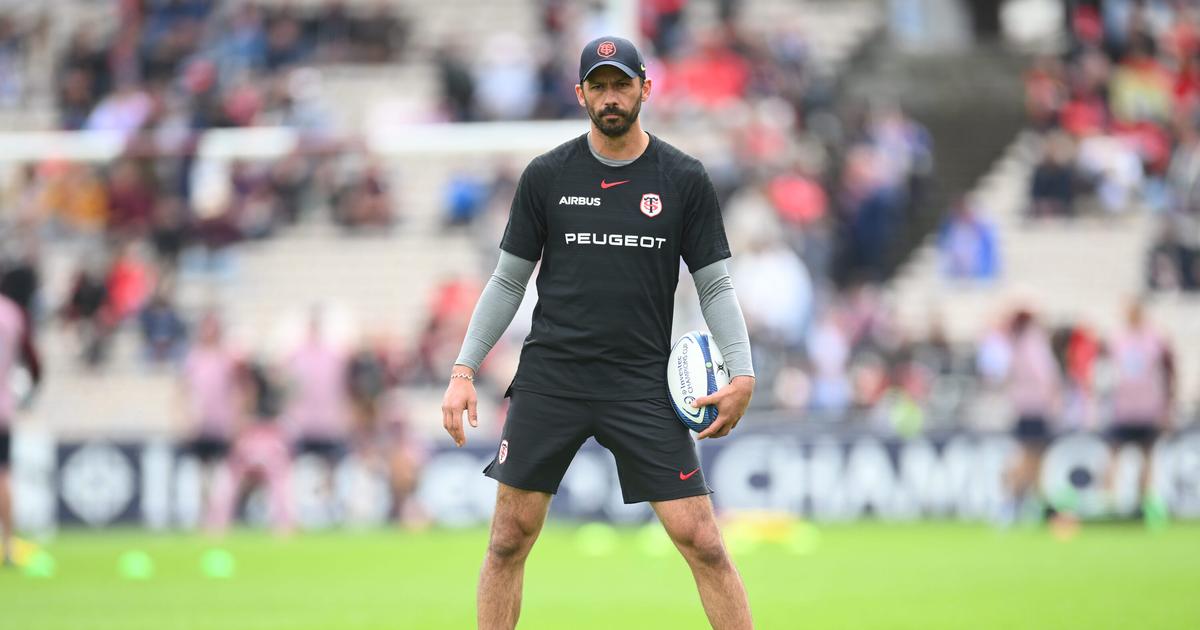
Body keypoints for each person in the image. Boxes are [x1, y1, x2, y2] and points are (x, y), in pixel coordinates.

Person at [441, 36, 756, 629]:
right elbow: (508, 283)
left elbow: (714, 286)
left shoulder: (684, 179)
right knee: (508, 539)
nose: (611, 97)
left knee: (703, 542)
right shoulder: (547, 176)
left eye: (622, 83)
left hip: (640, 383)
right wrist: (463, 370)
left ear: (646, 87)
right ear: (580, 92)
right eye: (600, 85)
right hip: (551, 380)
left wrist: (743, 371)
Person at [1106, 301, 1174, 516]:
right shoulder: (1117, 338)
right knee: (1114, 455)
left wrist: (1167, 406)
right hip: (1123, 407)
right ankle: (1111, 505)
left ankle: (1142, 504)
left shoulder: (1156, 339)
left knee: (1147, 455)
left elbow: (1169, 373)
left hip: (1147, 407)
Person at [0, 290, 40, 567]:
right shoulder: (12, 312)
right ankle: (10, 544)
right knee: (2, 476)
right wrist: (28, 394)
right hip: (2, 407)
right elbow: (34, 362)